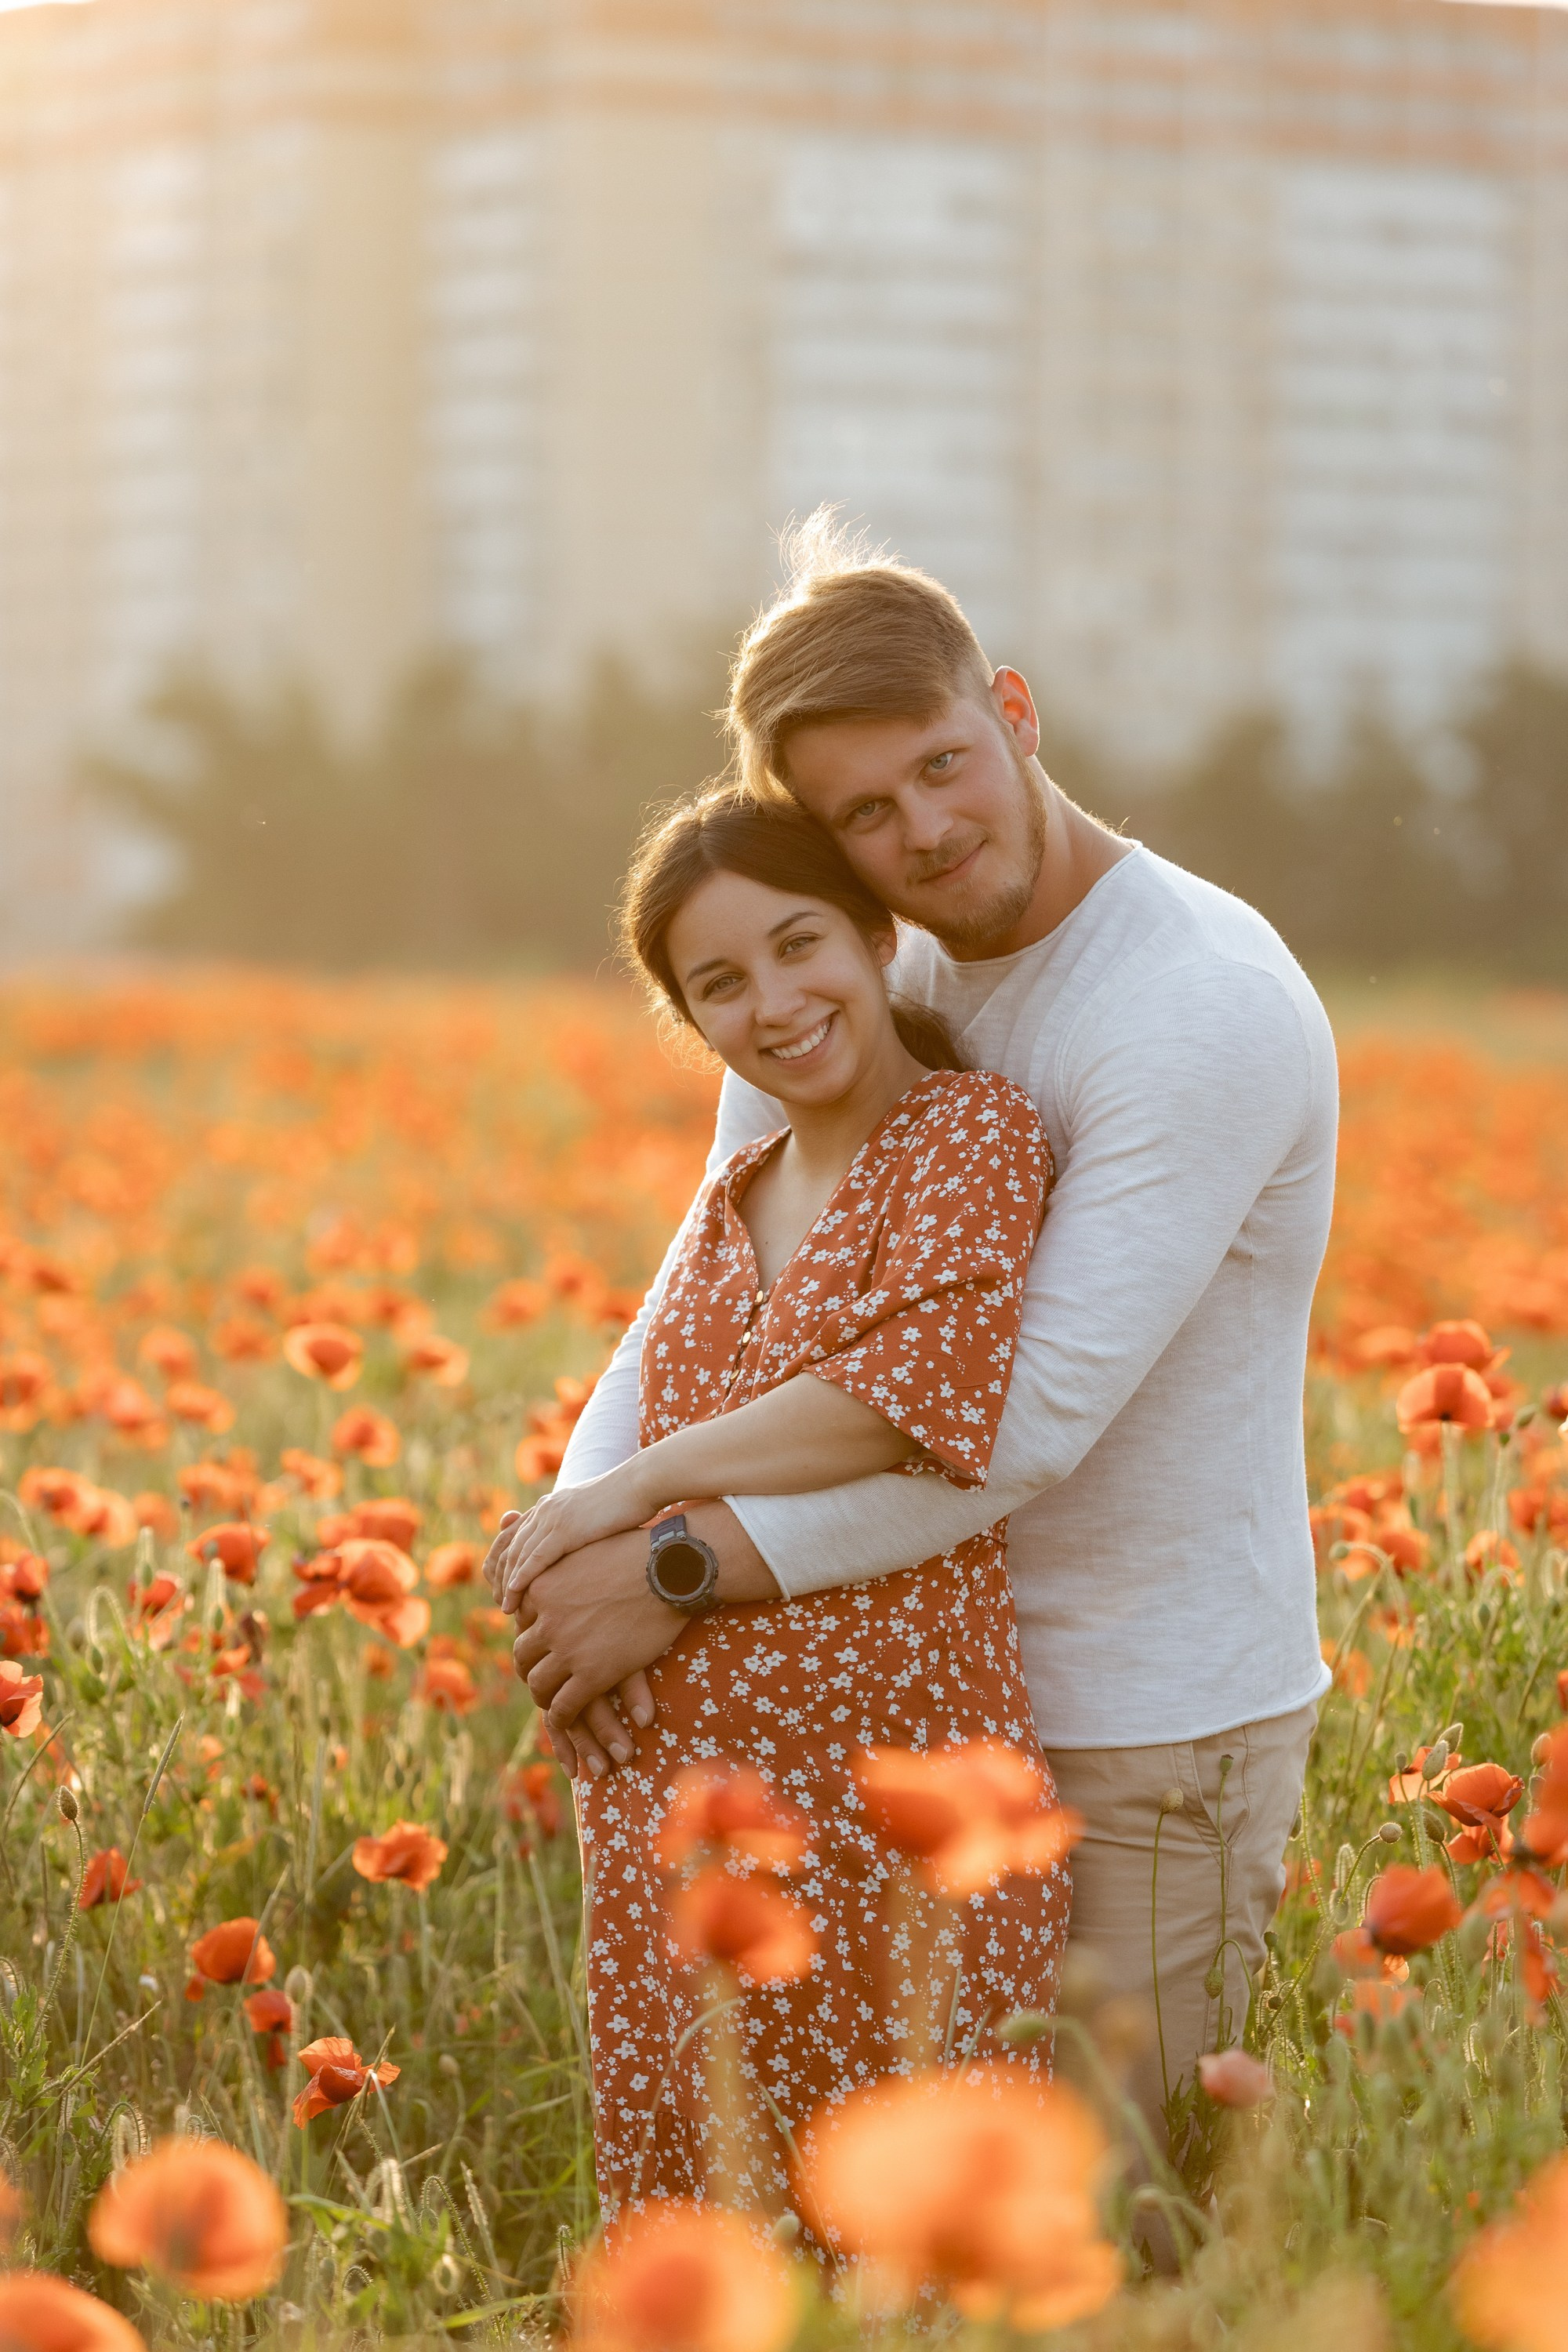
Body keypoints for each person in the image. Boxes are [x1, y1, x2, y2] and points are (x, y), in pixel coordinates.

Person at [489, 517, 1338, 2153]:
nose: (926, 833)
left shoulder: (1192, 1002)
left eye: (944, 765)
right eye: (864, 816)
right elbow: (698, 1277)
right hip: (869, 1699)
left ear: (1014, 711)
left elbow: (1008, 1424)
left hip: (1136, 1720)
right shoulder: (836, 962)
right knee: (858, 2236)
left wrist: (661, 1568)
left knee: (1098, 2237)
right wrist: (561, 1545)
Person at [499, 784, 1071, 2214]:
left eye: (799, 943)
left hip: (895, 1810)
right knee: (711, 2233)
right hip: (675, 1834)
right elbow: (639, 1397)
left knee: (913, 2234)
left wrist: (627, 1502)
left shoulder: (969, 1135)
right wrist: (568, 1586)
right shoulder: (736, 1188)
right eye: (721, 983)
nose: (776, 1001)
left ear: (878, 936)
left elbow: (901, 1400)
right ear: (693, 1023)